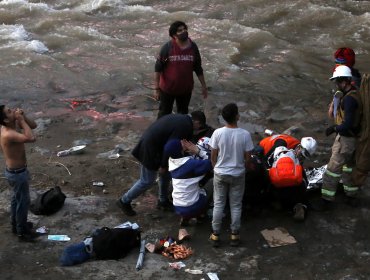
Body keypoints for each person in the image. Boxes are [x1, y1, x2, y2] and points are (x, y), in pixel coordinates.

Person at [117, 113, 194, 216]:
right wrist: (163, 165)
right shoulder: (185, 126)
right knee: (147, 180)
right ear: (196, 122)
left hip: (156, 146)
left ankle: (163, 200)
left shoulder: (181, 119)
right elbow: (169, 146)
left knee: (165, 174)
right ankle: (124, 201)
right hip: (150, 148)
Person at [316, 65, 362, 210]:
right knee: (350, 168)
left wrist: (334, 128)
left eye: (337, 81)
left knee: (332, 169)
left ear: (344, 81)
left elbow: (347, 123)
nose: (336, 84)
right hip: (356, 139)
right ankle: (351, 196)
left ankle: (326, 200)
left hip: (346, 140)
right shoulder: (356, 94)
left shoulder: (348, 100)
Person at [208, 103, 254, 247]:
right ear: (237, 116)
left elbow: (213, 155)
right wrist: (244, 168)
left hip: (220, 173)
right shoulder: (245, 134)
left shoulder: (217, 133)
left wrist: (216, 168)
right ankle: (234, 235)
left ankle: (215, 234)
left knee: (218, 204)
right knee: (235, 205)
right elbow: (248, 158)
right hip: (238, 174)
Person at [253, 135, 317, 221]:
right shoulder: (281, 144)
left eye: (304, 156)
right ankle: (264, 197)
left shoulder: (295, 152)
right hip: (262, 151)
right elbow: (266, 161)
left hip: (278, 158)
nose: (301, 158)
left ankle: (295, 203)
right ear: (299, 147)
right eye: (302, 154)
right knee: (264, 174)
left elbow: (298, 169)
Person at [154, 21, 208, 119]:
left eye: (184, 29)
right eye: (180, 30)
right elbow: (158, 69)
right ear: (174, 35)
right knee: (164, 115)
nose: (184, 31)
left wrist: (204, 86)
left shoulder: (193, 47)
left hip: (185, 90)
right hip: (167, 90)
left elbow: (198, 68)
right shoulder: (167, 48)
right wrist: (157, 89)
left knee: (182, 115)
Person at [0, 105, 38, 242]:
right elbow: (31, 138)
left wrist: (24, 117)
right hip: (17, 173)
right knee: (23, 201)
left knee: (16, 199)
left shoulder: (10, 126)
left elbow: (33, 126)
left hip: (15, 172)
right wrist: (21, 121)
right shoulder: (8, 133)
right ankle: (23, 232)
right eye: (9, 112)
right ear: (5, 119)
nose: (13, 111)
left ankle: (16, 225)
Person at [165, 139, 213, 226]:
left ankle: (185, 217)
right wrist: (198, 151)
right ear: (181, 151)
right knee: (212, 184)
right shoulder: (190, 165)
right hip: (192, 207)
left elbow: (186, 159)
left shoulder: (171, 161)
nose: (184, 145)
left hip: (177, 205)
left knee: (192, 189)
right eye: (182, 145)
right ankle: (200, 214)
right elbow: (212, 162)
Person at [328, 47, 362, 119]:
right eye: (337, 62)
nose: (338, 65)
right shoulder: (341, 74)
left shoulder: (354, 79)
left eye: (341, 63)